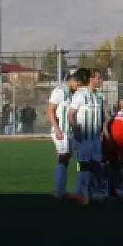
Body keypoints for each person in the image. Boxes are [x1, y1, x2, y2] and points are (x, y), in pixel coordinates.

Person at [68, 68, 109, 204]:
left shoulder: (98, 96)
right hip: (84, 139)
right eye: (99, 78)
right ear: (91, 79)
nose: (101, 80)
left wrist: (104, 131)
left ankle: (92, 190)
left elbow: (102, 116)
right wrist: (76, 129)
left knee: (96, 165)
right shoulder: (80, 95)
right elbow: (70, 114)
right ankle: (84, 193)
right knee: (83, 165)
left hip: (96, 139)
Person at [46, 69, 83, 200]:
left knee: (74, 160)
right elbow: (50, 111)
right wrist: (56, 129)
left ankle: (69, 189)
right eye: (77, 81)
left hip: (72, 132)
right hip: (61, 131)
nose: (78, 84)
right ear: (71, 79)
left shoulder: (75, 93)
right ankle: (58, 190)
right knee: (63, 158)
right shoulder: (59, 91)